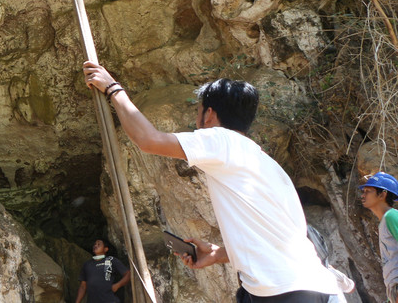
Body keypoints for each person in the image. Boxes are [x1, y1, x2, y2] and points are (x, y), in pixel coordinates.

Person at [83, 62, 341, 303]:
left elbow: (148, 140)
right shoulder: (263, 161)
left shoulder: (222, 140)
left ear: (209, 114)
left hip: (283, 290)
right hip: (313, 285)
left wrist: (113, 89)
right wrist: (218, 254)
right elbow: (277, 237)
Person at [360, 172, 398, 302]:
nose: (363, 195)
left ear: (382, 194)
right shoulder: (384, 221)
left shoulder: (391, 216)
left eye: (368, 191)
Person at [76, 238, 131, 303]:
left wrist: (117, 285)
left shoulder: (111, 260)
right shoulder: (87, 264)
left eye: (99, 244)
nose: (95, 246)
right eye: (95, 244)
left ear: (105, 249)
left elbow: (128, 274)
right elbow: (83, 286)